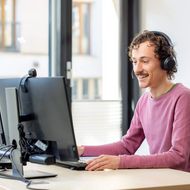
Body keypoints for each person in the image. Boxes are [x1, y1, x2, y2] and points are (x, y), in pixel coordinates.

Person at [78, 30, 190, 172]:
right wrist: (82, 150)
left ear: (166, 63)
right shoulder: (144, 101)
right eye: (134, 61)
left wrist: (120, 162)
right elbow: (127, 146)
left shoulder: (183, 98)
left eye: (144, 61)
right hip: (161, 180)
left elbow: (178, 156)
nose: (137, 69)